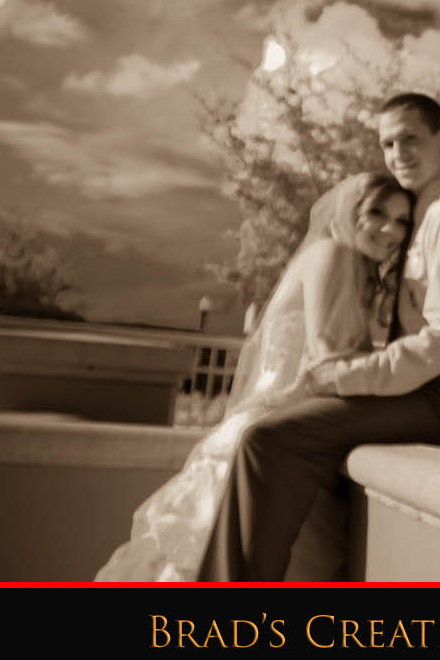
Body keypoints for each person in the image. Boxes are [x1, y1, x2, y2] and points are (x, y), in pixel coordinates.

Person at [197, 92, 440, 582]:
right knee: (281, 436)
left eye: (410, 138)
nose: (398, 153)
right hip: (430, 391)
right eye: (387, 143)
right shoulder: (426, 215)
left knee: (269, 441)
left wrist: (344, 376)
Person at [94, 172, 413, 582]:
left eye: (402, 221)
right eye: (378, 213)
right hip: (279, 433)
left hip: (265, 423)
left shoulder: (342, 263)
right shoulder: (334, 254)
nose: (391, 230)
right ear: (351, 212)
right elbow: (329, 358)